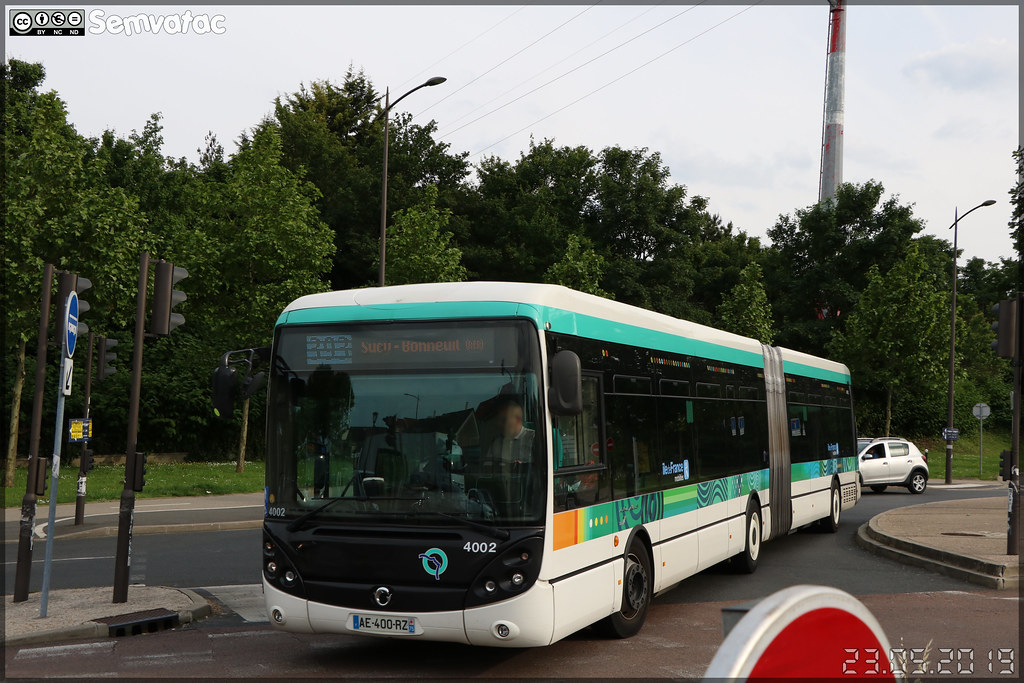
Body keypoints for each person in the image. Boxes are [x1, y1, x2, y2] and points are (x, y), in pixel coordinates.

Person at [486, 400, 534, 476]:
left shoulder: (534, 439)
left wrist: (523, 467)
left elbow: (540, 470)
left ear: (518, 420)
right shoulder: (496, 443)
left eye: (504, 419)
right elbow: (487, 469)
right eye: (499, 419)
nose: (499, 424)